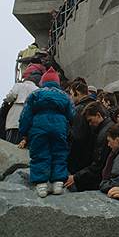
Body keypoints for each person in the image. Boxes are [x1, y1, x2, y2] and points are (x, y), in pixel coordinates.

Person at [18, 67, 75, 197]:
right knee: (59, 153)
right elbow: (72, 115)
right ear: (57, 82)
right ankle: (58, 183)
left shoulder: (35, 95)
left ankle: (41, 184)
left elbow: (25, 116)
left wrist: (24, 132)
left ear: (43, 82)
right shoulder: (64, 96)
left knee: (39, 153)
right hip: (59, 126)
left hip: (39, 127)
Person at [65, 101, 113, 191]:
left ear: (98, 115)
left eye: (90, 120)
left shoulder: (104, 134)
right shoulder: (106, 129)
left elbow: (98, 165)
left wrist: (76, 177)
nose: (90, 124)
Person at [67, 80, 94, 174]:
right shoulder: (96, 106)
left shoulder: (79, 110)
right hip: (92, 157)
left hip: (80, 158)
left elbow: (77, 136)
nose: (70, 97)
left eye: (71, 94)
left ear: (77, 93)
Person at [3, 77, 38, 144]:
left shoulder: (19, 85)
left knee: (11, 144)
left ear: (24, 80)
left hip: (15, 116)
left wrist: (6, 100)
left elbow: (11, 96)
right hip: (31, 119)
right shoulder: (37, 89)